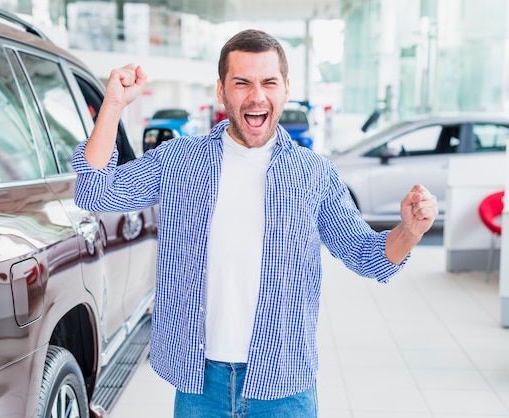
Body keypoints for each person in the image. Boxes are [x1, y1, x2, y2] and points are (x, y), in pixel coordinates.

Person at [72, 29, 438, 417]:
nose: (256, 96)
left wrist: (409, 231)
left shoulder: (313, 174)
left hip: (283, 383)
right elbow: (96, 191)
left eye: (268, 82)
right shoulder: (179, 161)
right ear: (221, 90)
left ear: (285, 89)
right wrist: (111, 105)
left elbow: (368, 256)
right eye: (241, 82)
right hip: (200, 382)